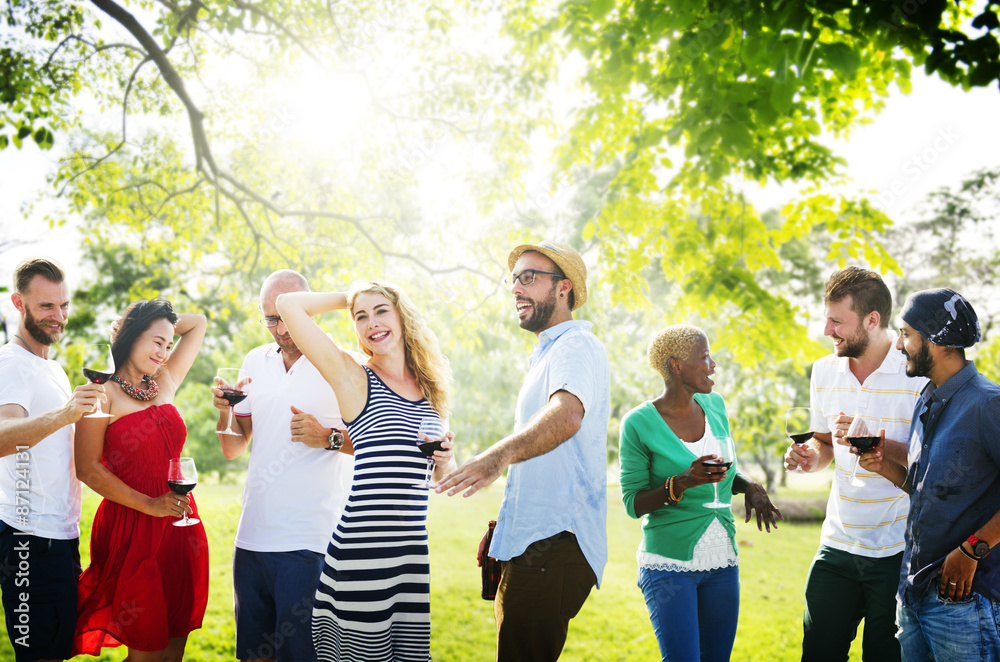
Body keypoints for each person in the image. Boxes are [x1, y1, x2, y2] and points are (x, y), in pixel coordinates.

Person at [436, 239, 611, 662]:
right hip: (534, 542)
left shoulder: (575, 346)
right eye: (514, 280)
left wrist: (496, 457)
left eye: (529, 278)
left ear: (563, 288)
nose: (516, 288)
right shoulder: (547, 353)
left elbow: (567, 416)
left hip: (552, 543)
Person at [276, 280, 455, 662]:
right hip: (363, 550)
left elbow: (439, 475)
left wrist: (445, 459)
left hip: (410, 554)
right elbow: (288, 304)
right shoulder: (354, 376)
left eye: (381, 311)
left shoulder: (430, 389)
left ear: (402, 316)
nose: (372, 323)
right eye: (361, 317)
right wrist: (352, 296)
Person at [783, 267, 926, 662]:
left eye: (836, 321)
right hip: (838, 543)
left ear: (872, 320)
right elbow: (825, 444)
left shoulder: (915, 372)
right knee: (819, 653)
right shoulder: (825, 370)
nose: (827, 331)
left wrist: (873, 437)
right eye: (826, 319)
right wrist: (809, 457)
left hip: (898, 549)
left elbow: (932, 459)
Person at [211, 269, 353, 662]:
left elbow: (373, 444)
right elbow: (234, 447)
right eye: (270, 317)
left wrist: (326, 437)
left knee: (300, 655)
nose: (280, 327)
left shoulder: (344, 365)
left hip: (308, 541)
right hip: (252, 538)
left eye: (287, 315)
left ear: (310, 311)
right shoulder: (255, 360)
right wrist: (224, 413)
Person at [620, 324, 782, 661]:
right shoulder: (638, 423)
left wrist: (747, 485)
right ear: (676, 365)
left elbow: (725, 469)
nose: (713, 365)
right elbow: (633, 503)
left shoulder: (715, 405)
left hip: (723, 560)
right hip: (668, 566)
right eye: (704, 357)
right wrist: (679, 483)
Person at [860, 288, 1000, 661]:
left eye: (906, 334)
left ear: (936, 340)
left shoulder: (988, 404)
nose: (899, 345)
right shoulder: (928, 397)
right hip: (913, 595)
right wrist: (886, 467)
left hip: (966, 605)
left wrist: (973, 549)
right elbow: (930, 490)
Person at [72, 298, 209, 661]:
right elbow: (87, 468)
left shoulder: (162, 381)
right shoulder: (100, 391)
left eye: (168, 344)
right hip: (133, 525)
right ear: (130, 336)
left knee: (175, 641)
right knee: (145, 648)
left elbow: (198, 323)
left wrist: (159, 325)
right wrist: (150, 505)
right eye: (156, 341)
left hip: (180, 523)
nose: (164, 352)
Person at [0, 257, 105, 662]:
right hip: (28, 540)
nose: (58, 316)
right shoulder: (11, 365)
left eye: (63, 305)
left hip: (59, 538)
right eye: (46, 306)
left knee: (56, 649)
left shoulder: (52, 368)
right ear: (18, 303)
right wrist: (65, 413)